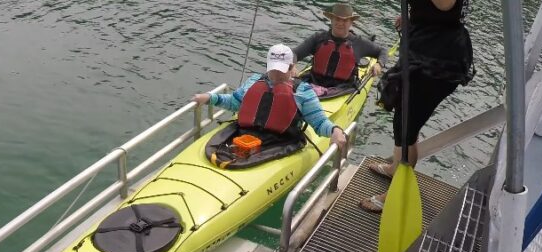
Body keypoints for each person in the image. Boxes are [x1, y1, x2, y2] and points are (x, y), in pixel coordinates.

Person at [359, 0, 474, 212]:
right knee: (403, 121)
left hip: (438, 62)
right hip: (424, 50)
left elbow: (446, 7)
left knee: (407, 127)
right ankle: (397, 169)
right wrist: (413, 17)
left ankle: (397, 193)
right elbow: (438, 13)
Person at [193, 44, 347, 151]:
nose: (277, 74)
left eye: (282, 69)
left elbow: (319, 122)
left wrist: (335, 131)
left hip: (282, 142)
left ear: (292, 67)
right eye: (273, 69)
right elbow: (234, 102)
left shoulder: (303, 92)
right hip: (244, 135)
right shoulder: (253, 81)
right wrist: (209, 98)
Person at [293, 3, 387, 89]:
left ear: (351, 23)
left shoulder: (359, 43)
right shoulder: (318, 38)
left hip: (343, 88)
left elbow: (382, 51)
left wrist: (379, 64)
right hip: (313, 82)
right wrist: (291, 66)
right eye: (337, 19)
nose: (340, 23)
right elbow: (294, 53)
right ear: (331, 20)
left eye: (345, 20)